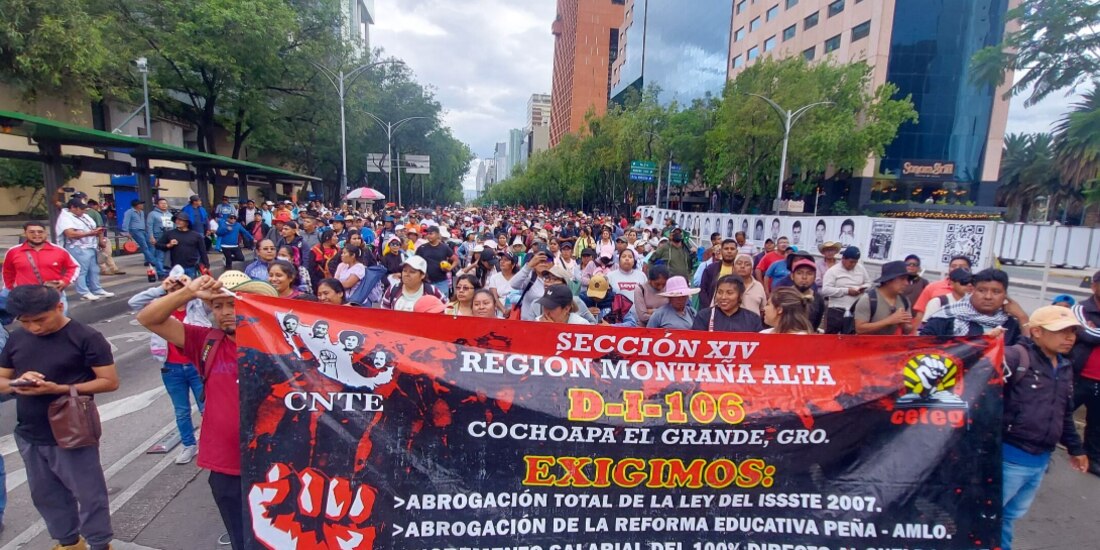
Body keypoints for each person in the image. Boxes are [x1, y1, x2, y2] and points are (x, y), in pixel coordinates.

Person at [137, 272, 277, 550]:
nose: (224, 313)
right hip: (226, 467)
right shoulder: (206, 342)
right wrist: (189, 292)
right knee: (242, 540)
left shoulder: (279, 343)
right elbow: (148, 319)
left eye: (232, 304)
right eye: (217, 305)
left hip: (276, 466)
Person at [0, 284, 119, 550]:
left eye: (40, 320)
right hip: (30, 430)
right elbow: (2, 379)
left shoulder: (86, 336)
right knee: (46, 494)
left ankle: (100, 543)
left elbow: (109, 381)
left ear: (59, 307)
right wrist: (18, 383)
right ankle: (68, 542)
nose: (34, 328)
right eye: (26, 322)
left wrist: (61, 389)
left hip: (73, 429)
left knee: (89, 494)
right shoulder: (18, 338)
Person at [999, 306, 1089, 549]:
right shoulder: (1015, 357)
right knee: (988, 516)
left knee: (1008, 516)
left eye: (1072, 331)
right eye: (1061, 331)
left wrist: (1076, 448)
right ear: (1037, 332)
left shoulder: (1065, 366)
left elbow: (1064, 412)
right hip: (1009, 457)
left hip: (1040, 461)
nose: (1069, 337)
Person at [128, 275, 208, 465]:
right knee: (181, 411)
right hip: (171, 368)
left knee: (207, 408)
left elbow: (215, 300)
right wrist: (161, 290)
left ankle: (208, 444)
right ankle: (189, 445)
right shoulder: (159, 311)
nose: (177, 293)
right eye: (174, 291)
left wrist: (191, 288)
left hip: (197, 366)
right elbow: (134, 303)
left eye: (181, 290)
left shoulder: (197, 306)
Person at [919, 269, 1021, 344]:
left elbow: (1026, 352)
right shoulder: (946, 317)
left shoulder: (1010, 323)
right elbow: (921, 347)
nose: (988, 297)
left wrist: (1023, 318)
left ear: (1005, 295)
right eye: (981, 290)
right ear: (972, 290)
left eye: (996, 292)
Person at [3, 222, 80, 311]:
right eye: (32, 232)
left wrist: (65, 281)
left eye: (40, 232)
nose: (36, 234)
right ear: (25, 233)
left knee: (57, 324)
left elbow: (74, 267)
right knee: (32, 324)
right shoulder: (13, 251)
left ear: (45, 233)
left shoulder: (59, 250)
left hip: (54, 296)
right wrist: (12, 289)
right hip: (26, 299)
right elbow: (7, 272)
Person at [1071, 270, 1100, 477]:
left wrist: (1095, 330)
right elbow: (1087, 335)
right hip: (1078, 376)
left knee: (1097, 424)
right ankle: (1043, 452)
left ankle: (1093, 459)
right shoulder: (1081, 308)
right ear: (1094, 286)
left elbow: (1093, 333)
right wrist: (1090, 330)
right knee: (1056, 413)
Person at [56, 199, 113, 301]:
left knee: (94, 270)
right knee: (82, 271)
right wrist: (90, 233)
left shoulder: (84, 216)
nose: (83, 211)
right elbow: (70, 234)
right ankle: (84, 292)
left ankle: (96, 289)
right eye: (81, 209)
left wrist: (100, 239)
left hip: (91, 246)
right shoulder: (65, 217)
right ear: (73, 207)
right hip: (78, 247)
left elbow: (97, 228)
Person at [852, 260, 914, 336]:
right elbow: (859, 329)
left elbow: (908, 329)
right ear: (888, 280)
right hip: (865, 345)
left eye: (907, 279)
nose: (906, 283)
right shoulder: (869, 299)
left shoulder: (904, 301)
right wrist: (889, 320)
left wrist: (904, 325)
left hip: (888, 345)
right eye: (902, 279)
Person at [820, 246, 870, 334]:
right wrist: (846, 291)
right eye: (851, 262)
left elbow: (868, 283)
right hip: (837, 310)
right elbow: (825, 290)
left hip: (855, 310)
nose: (853, 264)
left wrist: (863, 288)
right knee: (832, 339)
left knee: (850, 339)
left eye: (855, 262)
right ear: (843, 259)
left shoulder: (860, 268)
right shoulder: (833, 271)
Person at [912, 255, 973, 327]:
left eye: (962, 266)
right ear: (949, 269)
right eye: (953, 266)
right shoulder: (932, 287)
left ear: (969, 270)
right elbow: (921, 313)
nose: (957, 269)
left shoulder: (976, 289)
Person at [692, 275, 764, 333]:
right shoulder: (704, 316)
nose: (723, 297)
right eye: (720, 292)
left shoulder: (752, 319)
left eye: (729, 293)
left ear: (740, 295)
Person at [156, 213, 210, 278]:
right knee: (177, 287)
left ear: (187, 223)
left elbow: (203, 251)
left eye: (181, 220)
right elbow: (158, 245)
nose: (178, 221)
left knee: (190, 286)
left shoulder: (196, 236)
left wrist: (206, 265)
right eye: (177, 220)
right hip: (175, 267)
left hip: (191, 267)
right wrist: (168, 245)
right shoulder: (170, 234)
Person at [416, 226, 457, 297]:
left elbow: (456, 260)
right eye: (427, 234)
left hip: (441, 282)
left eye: (431, 233)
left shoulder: (444, 247)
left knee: (442, 303)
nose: (428, 235)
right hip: (426, 282)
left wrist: (450, 268)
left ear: (438, 235)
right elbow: (416, 263)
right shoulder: (422, 248)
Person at [788, 258, 825, 331]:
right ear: (792, 276)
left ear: (814, 278)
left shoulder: (818, 299)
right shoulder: (782, 296)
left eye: (809, 274)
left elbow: (817, 323)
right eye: (799, 273)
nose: (804, 277)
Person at [699, 239, 739, 309]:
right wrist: (708, 309)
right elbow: (703, 290)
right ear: (721, 251)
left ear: (736, 252)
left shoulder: (739, 271)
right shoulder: (711, 269)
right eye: (726, 249)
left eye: (732, 249)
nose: (729, 251)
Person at [122, 199, 157, 268]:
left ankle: (148, 260)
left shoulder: (142, 212)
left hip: (143, 230)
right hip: (135, 230)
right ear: (136, 205)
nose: (142, 205)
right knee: (144, 246)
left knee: (151, 244)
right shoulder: (129, 212)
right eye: (140, 204)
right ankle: (153, 261)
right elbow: (126, 222)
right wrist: (126, 232)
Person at [147, 198, 174, 277]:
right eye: (161, 203)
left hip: (169, 237)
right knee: (160, 255)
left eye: (165, 203)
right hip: (158, 236)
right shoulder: (153, 214)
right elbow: (149, 226)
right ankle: (160, 273)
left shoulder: (170, 214)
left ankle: (167, 270)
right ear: (157, 205)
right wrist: (151, 237)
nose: (164, 205)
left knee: (168, 255)